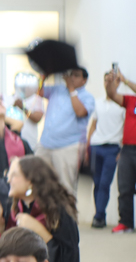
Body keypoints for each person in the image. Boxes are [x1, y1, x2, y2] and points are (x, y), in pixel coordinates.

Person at [35, 65, 95, 194]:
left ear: (84, 80)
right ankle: (44, 213)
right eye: (71, 74)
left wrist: (71, 89)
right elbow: (38, 92)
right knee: (38, 179)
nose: (72, 77)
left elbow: (80, 112)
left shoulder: (87, 97)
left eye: (76, 75)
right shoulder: (57, 89)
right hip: (45, 144)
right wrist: (44, 76)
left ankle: (67, 214)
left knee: (65, 186)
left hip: (67, 147)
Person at [87, 73, 125, 228]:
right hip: (96, 146)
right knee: (97, 183)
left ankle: (98, 215)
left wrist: (122, 150)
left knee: (104, 183)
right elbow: (93, 125)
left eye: (113, 79)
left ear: (118, 82)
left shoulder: (122, 104)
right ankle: (100, 216)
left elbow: (127, 128)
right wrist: (87, 145)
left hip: (113, 148)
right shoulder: (98, 103)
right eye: (106, 79)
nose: (109, 82)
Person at [101, 68, 136, 233]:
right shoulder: (130, 100)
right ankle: (126, 223)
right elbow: (112, 95)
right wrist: (110, 83)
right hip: (128, 150)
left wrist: (126, 80)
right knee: (125, 188)